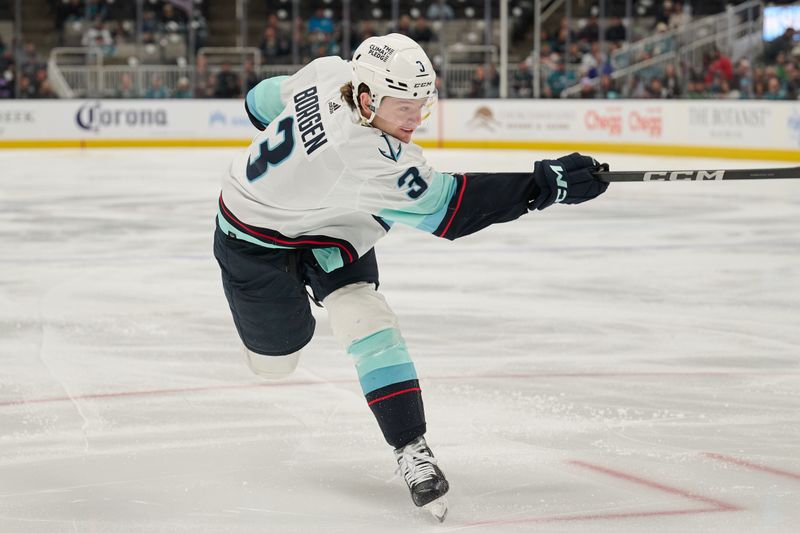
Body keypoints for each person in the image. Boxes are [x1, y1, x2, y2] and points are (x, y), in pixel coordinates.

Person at [213, 33, 609, 521]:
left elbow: (258, 103)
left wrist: (293, 160)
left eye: (422, 104)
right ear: (365, 98)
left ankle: (411, 449)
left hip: (330, 223)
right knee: (276, 362)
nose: (415, 118)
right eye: (402, 106)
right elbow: (453, 211)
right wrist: (546, 186)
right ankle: (278, 335)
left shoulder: (330, 72)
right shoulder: (363, 155)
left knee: (367, 322)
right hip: (253, 244)